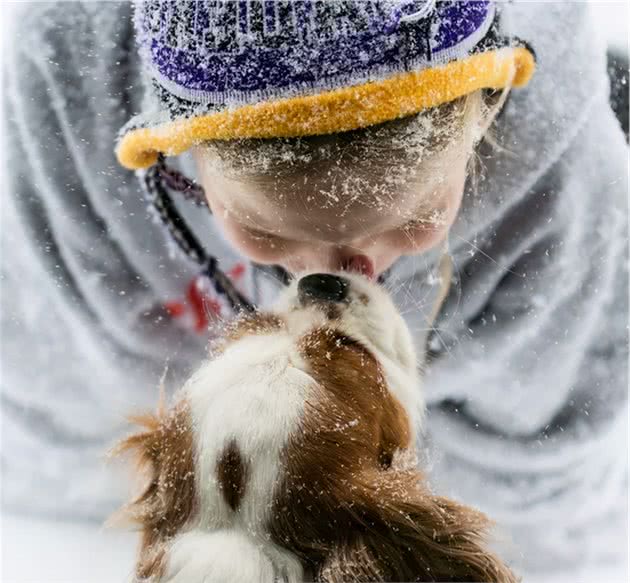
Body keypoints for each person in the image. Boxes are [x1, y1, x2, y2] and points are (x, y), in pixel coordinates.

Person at [2, 1, 627, 580]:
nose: (341, 271)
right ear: (173, 144)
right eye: (265, 230)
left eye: (412, 217)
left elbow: (546, 491)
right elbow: (55, 431)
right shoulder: (66, 96)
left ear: (487, 105)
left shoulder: (565, 198)